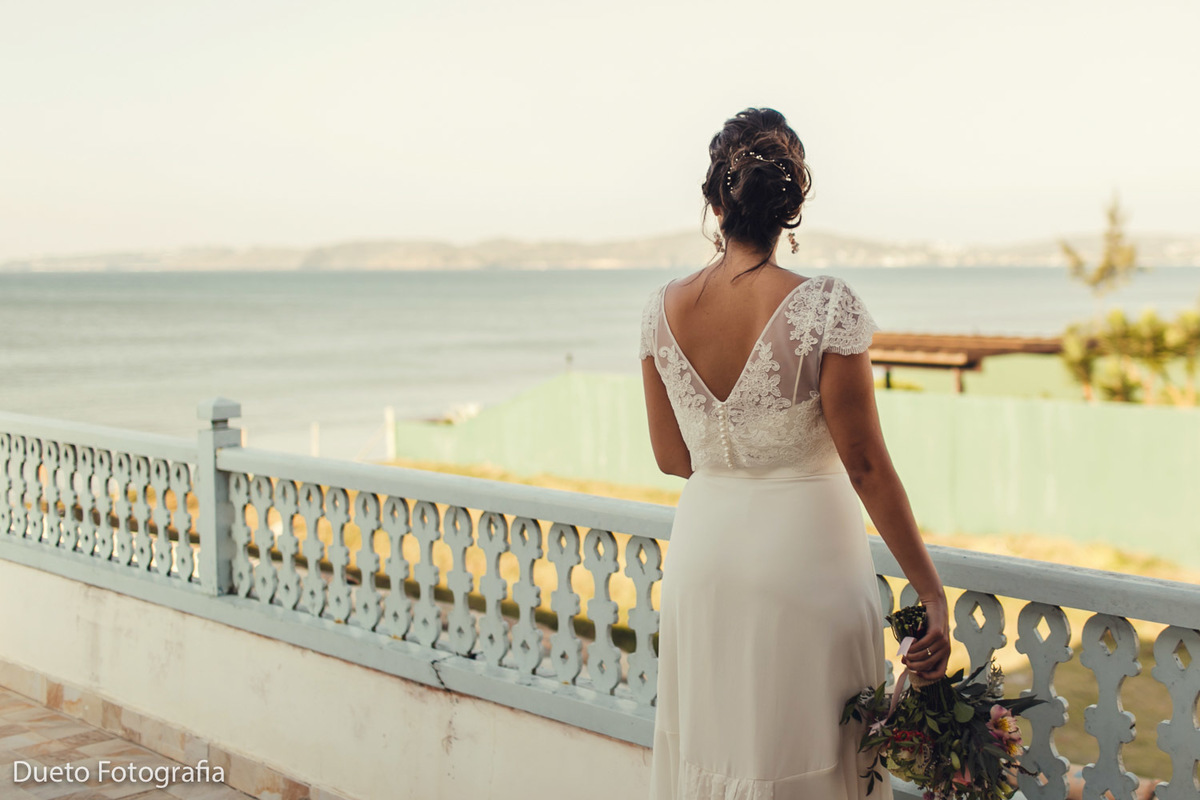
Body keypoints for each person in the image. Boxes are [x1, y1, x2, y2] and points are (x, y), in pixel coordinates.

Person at [638, 107, 951, 800]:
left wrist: (735, 456)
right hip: (805, 562)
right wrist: (929, 591)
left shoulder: (660, 310)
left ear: (714, 201)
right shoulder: (824, 308)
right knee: (812, 750)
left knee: (712, 745)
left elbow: (672, 458)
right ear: (790, 208)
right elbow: (865, 464)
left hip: (704, 557)